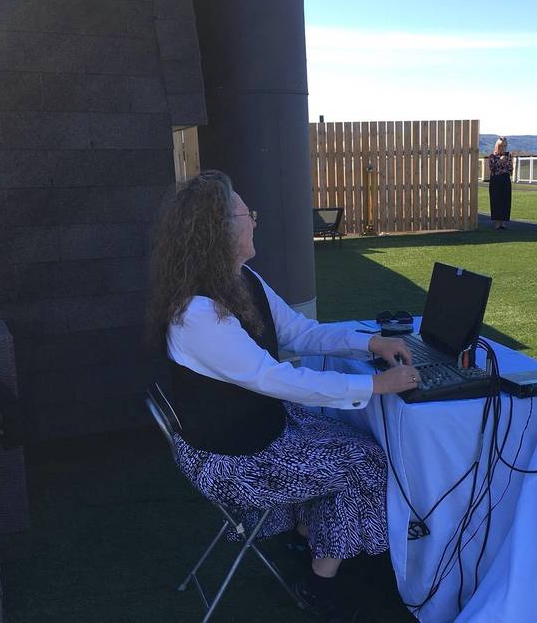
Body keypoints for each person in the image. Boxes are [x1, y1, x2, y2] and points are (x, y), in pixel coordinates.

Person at [147, 170, 421, 620]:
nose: (255, 221)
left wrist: (369, 342)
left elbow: (300, 332)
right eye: (246, 214)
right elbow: (272, 379)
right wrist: (373, 385)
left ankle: (305, 533)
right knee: (368, 459)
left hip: (255, 427)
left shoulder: (242, 278)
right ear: (218, 230)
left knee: (344, 440)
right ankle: (318, 580)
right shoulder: (198, 313)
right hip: (232, 459)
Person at [487, 137, 514, 230]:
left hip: (505, 179)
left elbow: (510, 169)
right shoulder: (492, 156)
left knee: (505, 200)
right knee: (496, 200)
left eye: (505, 146)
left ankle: (503, 222)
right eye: (501, 146)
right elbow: (492, 168)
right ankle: (497, 222)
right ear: (497, 145)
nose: (503, 148)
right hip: (495, 179)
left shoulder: (509, 155)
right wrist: (500, 161)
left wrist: (508, 162)